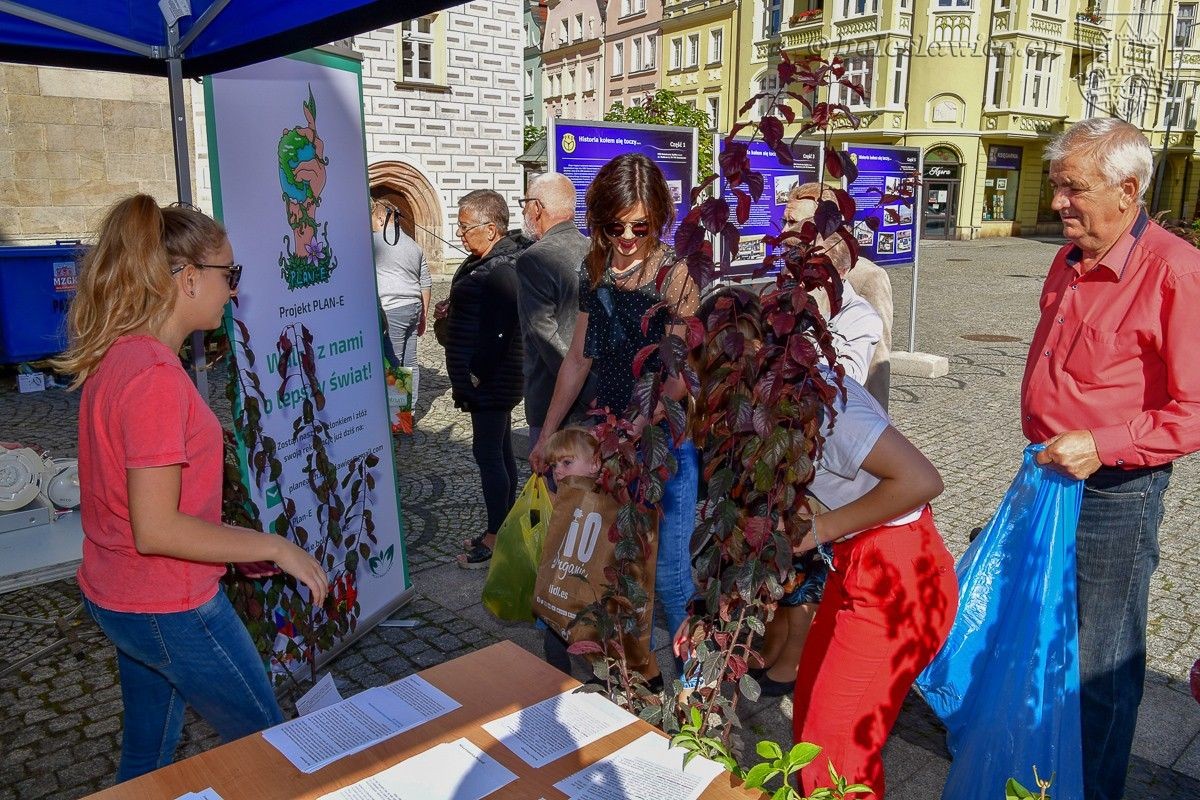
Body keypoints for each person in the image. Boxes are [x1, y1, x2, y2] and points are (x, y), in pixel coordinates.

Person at [52, 195, 328, 782]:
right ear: (185, 279)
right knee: (273, 750)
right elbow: (157, 529)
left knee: (149, 754)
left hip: (119, 593)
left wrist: (234, 548)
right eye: (229, 274)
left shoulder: (120, 356)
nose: (233, 289)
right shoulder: (153, 377)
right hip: (167, 602)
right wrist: (272, 546)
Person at [677, 289, 957, 798]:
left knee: (836, 752)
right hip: (856, 566)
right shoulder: (769, 403)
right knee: (809, 720)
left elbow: (921, 479)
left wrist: (817, 532)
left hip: (898, 578)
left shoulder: (824, 403)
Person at [1022, 117, 1200, 800]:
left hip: (1115, 494)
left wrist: (1101, 443)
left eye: (1074, 190)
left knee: (1101, 663)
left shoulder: (1174, 272)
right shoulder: (1068, 258)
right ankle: (1043, 768)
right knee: (1045, 641)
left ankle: (1092, 790)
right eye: (1059, 187)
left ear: (1127, 191)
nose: (1059, 202)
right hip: (1045, 475)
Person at [530, 152, 701, 654]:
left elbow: (675, 378)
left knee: (669, 574)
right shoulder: (595, 266)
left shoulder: (677, 276)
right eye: (615, 226)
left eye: (640, 227)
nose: (627, 239)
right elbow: (579, 357)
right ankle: (611, 671)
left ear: (659, 220)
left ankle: (695, 684)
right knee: (596, 558)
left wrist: (633, 438)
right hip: (603, 438)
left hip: (661, 443)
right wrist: (547, 435)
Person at [752, 189, 887, 697]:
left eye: (798, 224)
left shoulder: (855, 312)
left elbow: (840, 384)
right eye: (785, 220)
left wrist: (811, 322)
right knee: (775, 557)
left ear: (830, 244)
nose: (786, 230)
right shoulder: (775, 293)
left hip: (821, 465)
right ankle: (774, 641)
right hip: (770, 451)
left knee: (806, 561)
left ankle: (794, 658)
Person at [443, 189, 527, 569]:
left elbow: (500, 330)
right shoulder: (488, 260)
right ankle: (504, 525)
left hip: (492, 380)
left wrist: (476, 372)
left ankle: (495, 537)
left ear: (491, 229)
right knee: (501, 450)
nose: (460, 234)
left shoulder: (501, 268)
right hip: (491, 379)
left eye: (465, 227)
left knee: (488, 454)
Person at [784, 182, 894, 409]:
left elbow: (878, 362)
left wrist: (877, 418)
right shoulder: (788, 270)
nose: (784, 231)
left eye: (793, 223)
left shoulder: (867, 276)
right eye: (785, 221)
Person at [516, 173, 594, 446]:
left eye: (524, 202)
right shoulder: (594, 248)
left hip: (555, 398)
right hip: (595, 398)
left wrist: (577, 388)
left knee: (556, 484)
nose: (524, 210)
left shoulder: (534, 259)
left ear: (537, 207)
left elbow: (543, 335)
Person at [372, 199, 432, 406]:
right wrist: (423, 314)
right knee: (411, 362)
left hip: (392, 308)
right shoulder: (414, 245)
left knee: (394, 364)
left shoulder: (374, 242)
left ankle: (398, 418)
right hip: (413, 307)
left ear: (381, 217)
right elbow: (425, 282)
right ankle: (410, 411)